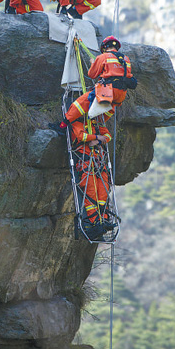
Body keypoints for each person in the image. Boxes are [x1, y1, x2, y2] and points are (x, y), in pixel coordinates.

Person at [54, 93, 115, 240]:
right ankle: (95, 222)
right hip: (86, 163)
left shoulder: (96, 124)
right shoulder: (76, 122)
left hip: (99, 163)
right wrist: (97, 138)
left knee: (103, 193)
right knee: (91, 192)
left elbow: (108, 136)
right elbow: (81, 137)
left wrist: (98, 140)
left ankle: (104, 219)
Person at [87, 35, 136, 113]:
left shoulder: (103, 57)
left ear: (105, 47)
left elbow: (91, 75)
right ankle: (101, 119)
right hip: (121, 95)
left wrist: (93, 63)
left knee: (90, 97)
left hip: (108, 91)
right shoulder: (126, 58)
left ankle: (91, 117)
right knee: (109, 109)